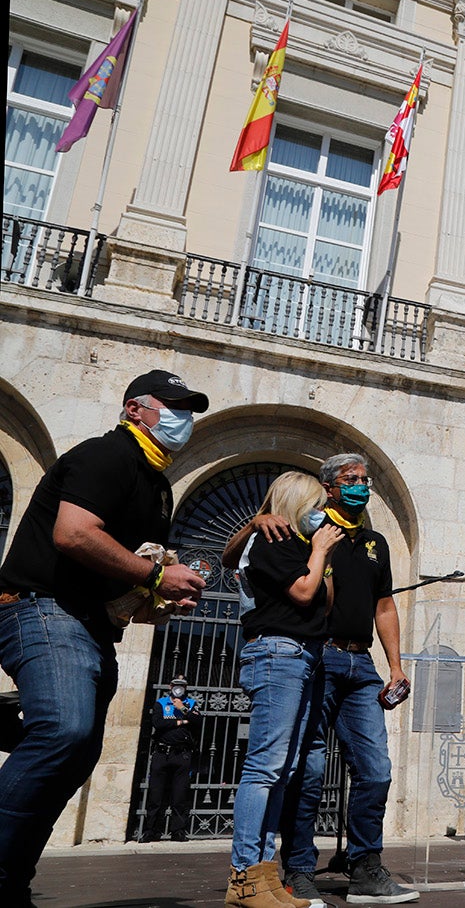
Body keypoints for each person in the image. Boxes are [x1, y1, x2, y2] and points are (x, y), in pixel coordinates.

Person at [0, 370, 209, 904]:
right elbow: (72, 534)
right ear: (135, 409)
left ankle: (10, 882)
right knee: (63, 731)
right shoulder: (107, 455)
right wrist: (158, 577)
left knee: (75, 754)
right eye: (173, 405)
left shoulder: (158, 487)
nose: (184, 417)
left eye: (188, 407)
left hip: (94, 627)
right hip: (44, 610)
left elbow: (126, 575)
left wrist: (158, 601)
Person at [223, 454, 417, 905]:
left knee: (376, 769)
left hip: (360, 663)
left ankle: (366, 867)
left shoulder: (374, 543)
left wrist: (395, 666)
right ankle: (298, 869)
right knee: (303, 771)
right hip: (313, 657)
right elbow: (237, 560)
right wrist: (259, 523)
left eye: (365, 480)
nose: (361, 486)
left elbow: (383, 605)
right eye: (351, 480)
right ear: (327, 488)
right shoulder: (298, 533)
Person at [225, 471, 341, 908]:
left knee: (287, 768)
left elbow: (323, 600)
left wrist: (321, 556)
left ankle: (264, 874)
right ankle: (244, 876)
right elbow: (304, 591)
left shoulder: (297, 547)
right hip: (277, 653)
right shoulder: (273, 541)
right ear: (295, 505)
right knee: (265, 767)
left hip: (304, 655)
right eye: (314, 505)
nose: (321, 514)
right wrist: (320, 550)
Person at [140, 673, 201, 843]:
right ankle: (151, 830)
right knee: (155, 795)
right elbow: (158, 723)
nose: (178, 688)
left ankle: (178, 831)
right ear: (170, 686)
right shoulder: (161, 703)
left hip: (181, 754)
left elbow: (198, 722)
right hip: (162, 754)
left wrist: (182, 709)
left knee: (180, 795)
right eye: (176, 684)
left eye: (182, 685)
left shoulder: (190, 704)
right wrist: (181, 722)